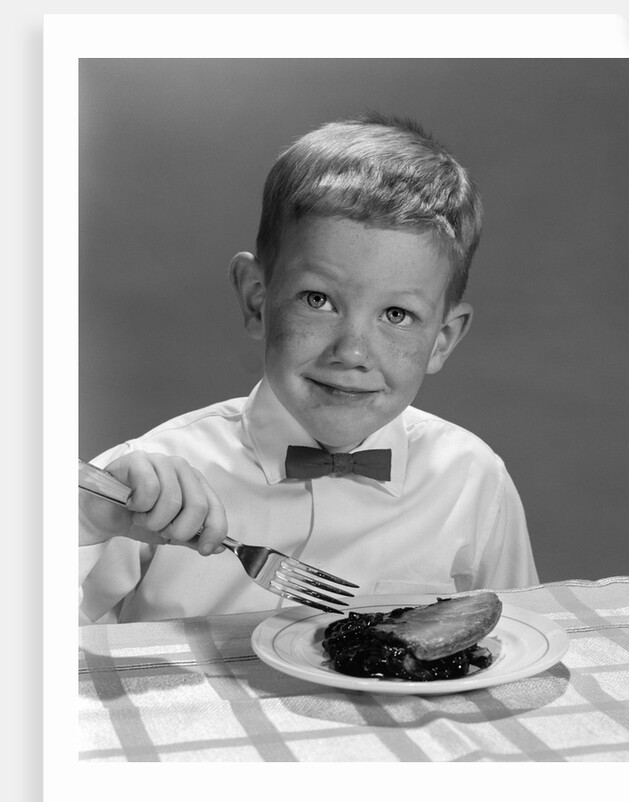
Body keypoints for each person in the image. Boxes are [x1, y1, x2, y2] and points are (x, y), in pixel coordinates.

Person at [79, 113, 538, 624]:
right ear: (257, 299)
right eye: (318, 299)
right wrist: (87, 522)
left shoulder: (473, 479)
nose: (353, 352)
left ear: (442, 340)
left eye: (397, 315)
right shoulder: (144, 484)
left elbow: (512, 638)